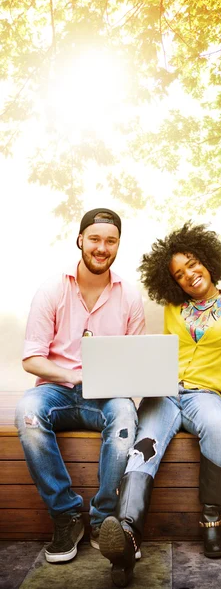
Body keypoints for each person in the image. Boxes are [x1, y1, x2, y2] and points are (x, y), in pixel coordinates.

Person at [99, 222, 221, 587]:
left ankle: (212, 520)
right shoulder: (172, 307)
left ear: (208, 261)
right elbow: (162, 354)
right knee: (143, 446)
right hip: (165, 393)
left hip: (205, 395)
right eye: (179, 275)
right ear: (173, 283)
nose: (189, 275)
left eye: (193, 264)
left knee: (217, 427)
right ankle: (127, 533)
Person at [15, 208, 144, 564]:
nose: (102, 248)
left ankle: (104, 519)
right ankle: (67, 516)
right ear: (80, 240)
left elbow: (135, 360)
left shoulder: (130, 296)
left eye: (111, 241)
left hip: (104, 397)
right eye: (95, 239)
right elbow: (31, 359)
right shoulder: (52, 290)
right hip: (56, 389)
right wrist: (73, 375)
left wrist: (134, 378)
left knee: (124, 414)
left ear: (118, 245)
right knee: (27, 411)